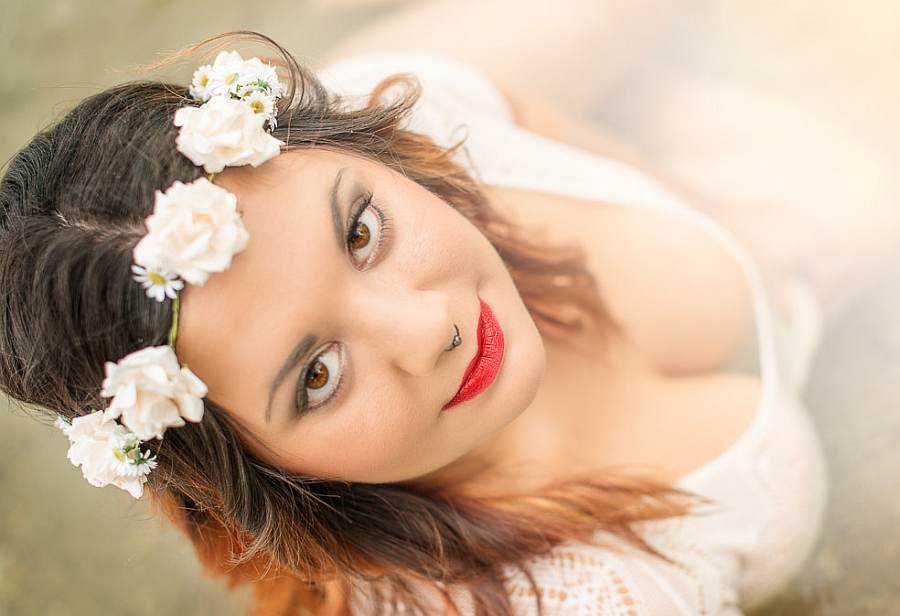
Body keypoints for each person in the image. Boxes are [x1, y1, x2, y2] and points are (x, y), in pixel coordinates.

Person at [0, 27, 829, 615]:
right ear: (252, 474)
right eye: (317, 376)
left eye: (360, 233)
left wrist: (760, 199)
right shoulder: (590, 599)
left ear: (350, 145)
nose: (427, 331)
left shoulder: (421, 109)